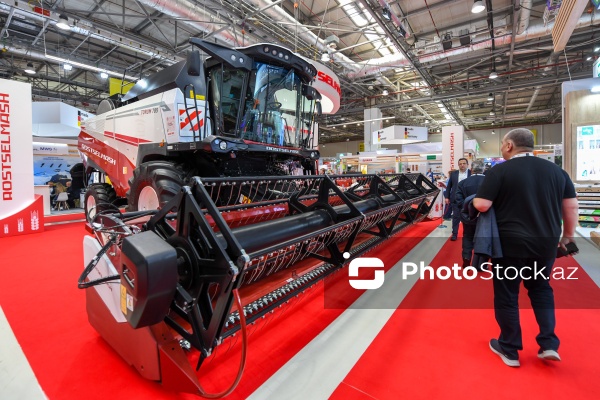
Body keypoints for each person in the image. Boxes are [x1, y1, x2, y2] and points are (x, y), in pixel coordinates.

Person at [473, 128, 578, 368]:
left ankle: (509, 348)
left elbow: (481, 204)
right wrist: (567, 237)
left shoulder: (500, 171)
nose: (501, 148)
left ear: (509, 145)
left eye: (502, 144)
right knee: (541, 289)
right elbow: (571, 207)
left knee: (507, 295)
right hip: (545, 244)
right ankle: (549, 343)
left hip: (509, 246)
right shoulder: (558, 172)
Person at [455, 160, 486, 268]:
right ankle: (481, 264)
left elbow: (459, 201)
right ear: (483, 169)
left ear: (471, 169)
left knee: (468, 237)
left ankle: (466, 260)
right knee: (484, 238)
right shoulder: (490, 182)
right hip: (485, 216)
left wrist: (469, 210)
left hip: (468, 216)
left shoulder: (462, 183)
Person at [445, 158, 470, 240]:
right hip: (456, 199)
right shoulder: (454, 174)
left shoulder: (471, 173)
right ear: (458, 165)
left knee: (468, 218)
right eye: (460, 164)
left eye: (464, 163)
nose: (462, 165)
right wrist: (447, 197)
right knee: (456, 217)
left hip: (468, 199)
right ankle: (454, 234)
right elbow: (449, 186)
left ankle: (467, 234)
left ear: (467, 164)